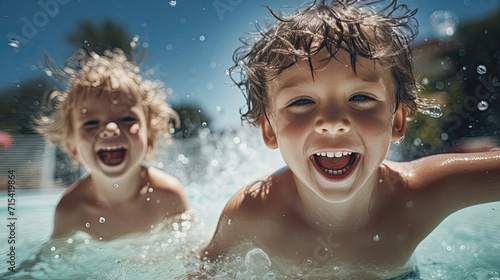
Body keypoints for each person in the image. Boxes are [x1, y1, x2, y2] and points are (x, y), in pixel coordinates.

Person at [200, 0, 500, 278]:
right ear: (268, 130)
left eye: (360, 97)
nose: (332, 123)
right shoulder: (251, 212)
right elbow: (201, 272)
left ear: (397, 121)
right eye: (302, 102)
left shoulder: (417, 194)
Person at [35, 48, 190, 241]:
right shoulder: (70, 209)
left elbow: (190, 257)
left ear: (149, 138)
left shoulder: (168, 195)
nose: (109, 128)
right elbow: (54, 262)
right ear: (72, 148)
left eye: (126, 118)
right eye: (90, 123)